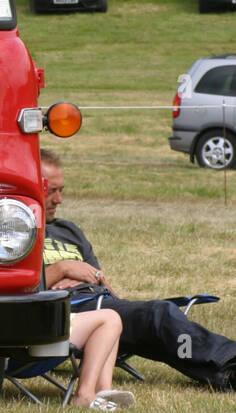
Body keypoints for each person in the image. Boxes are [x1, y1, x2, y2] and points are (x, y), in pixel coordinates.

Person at [41, 148, 236, 392]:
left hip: (100, 303)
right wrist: (62, 269)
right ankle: (229, 362)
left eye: (61, 191)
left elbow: (99, 279)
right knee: (160, 315)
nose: (59, 199)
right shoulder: (15, 234)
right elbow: (22, 289)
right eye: (51, 191)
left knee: (159, 329)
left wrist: (83, 276)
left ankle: (226, 373)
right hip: (68, 313)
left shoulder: (69, 230)